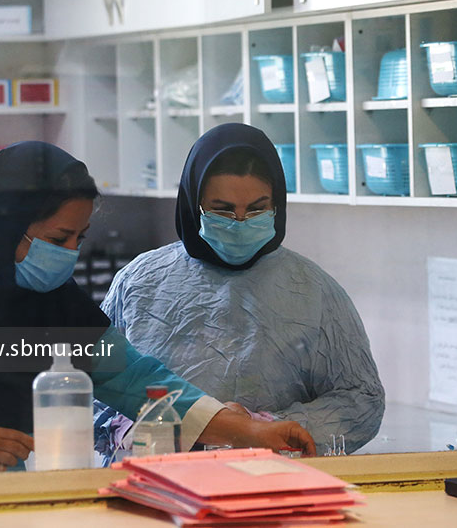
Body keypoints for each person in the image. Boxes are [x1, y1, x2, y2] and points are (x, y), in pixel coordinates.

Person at [0, 141, 314, 482]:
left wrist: (251, 431)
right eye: (57, 239)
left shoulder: (51, 302)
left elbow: (137, 381)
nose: (68, 256)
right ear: (1, 229)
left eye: (79, 239)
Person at [99, 124, 385, 454]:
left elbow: (362, 400)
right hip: (151, 470)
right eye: (222, 210)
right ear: (194, 204)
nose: (239, 222)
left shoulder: (314, 290)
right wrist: (132, 428)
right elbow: (87, 383)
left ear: (276, 205)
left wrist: (263, 426)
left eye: (256, 209)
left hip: (271, 474)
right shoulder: (139, 282)